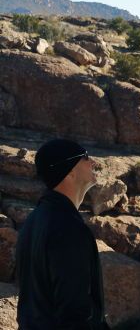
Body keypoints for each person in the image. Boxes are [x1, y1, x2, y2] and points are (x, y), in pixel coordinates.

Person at [15, 138, 108, 330]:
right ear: (70, 171)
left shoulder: (33, 222)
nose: (93, 162)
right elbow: (74, 310)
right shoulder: (67, 227)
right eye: (85, 157)